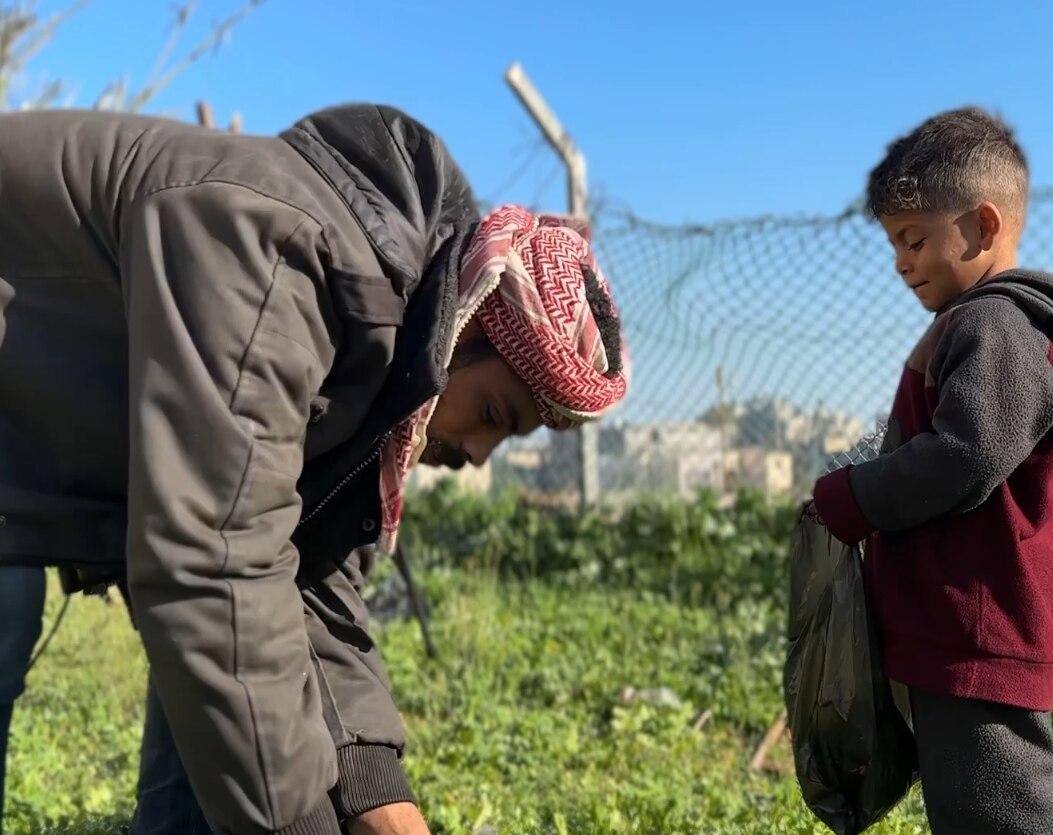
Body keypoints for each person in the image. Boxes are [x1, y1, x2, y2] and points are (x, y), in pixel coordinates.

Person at [0, 104, 628, 834]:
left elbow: (306, 582)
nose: (477, 456)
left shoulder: (377, 357)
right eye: (491, 414)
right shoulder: (283, 254)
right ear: (467, 327)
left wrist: (375, 794)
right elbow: (213, 562)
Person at [810, 107, 1053, 835]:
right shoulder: (979, 323)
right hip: (961, 625)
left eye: (914, 240)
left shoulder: (997, 323)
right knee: (967, 807)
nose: (902, 263)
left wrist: (851, 496)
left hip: (983, 627)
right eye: (893, 245)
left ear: (982, 225)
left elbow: (965, 453)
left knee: (1000, 814)